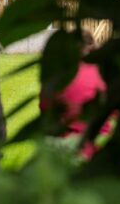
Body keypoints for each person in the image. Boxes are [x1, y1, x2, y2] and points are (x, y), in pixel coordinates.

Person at [41, 29, 110, 158]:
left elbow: (44, 108)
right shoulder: (103, 73)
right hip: (98, 148)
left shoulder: (55, 76)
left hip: (64, 146)